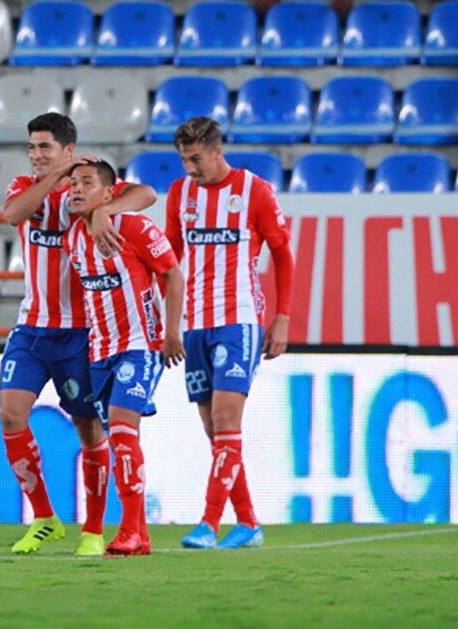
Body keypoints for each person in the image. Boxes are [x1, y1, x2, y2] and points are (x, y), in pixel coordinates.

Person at [0, 112, 157, 556]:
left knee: (90, 430)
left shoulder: (88, 187)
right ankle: (45, 518)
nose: (36, 155)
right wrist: (53, 178)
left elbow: (146, 193)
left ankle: (92, 529)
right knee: (10, 416)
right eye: (32, 147)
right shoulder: (27, 188)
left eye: (45, 147)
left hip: (82, 332)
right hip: (32, 327)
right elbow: (12, 214)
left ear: (68, 149)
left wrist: (107, 208)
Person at [164, 116, 295, 550]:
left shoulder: (254, 191)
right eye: (184, 160)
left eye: (196, 159)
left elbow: (282, 254)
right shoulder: (180, 194)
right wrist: (167, 322)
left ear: (217, 151)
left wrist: (282, 317)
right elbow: (170, 258)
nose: (190, 169)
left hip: (239, 320)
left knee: (224, 420)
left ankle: (209, 523)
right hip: (195, 324)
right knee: (214, 431)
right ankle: (249, 523)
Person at [64, 159, 185, 556]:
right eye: (73, 183)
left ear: (108, 193)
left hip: (140, 344)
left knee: (121, 429)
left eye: (86, 183)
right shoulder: (73, 239)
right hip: (100, 351)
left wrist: (171, 331)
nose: (76, 189)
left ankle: (131, 530)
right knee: (120, 440)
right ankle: (141, 535)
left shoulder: (134, 227)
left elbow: (173, 274)